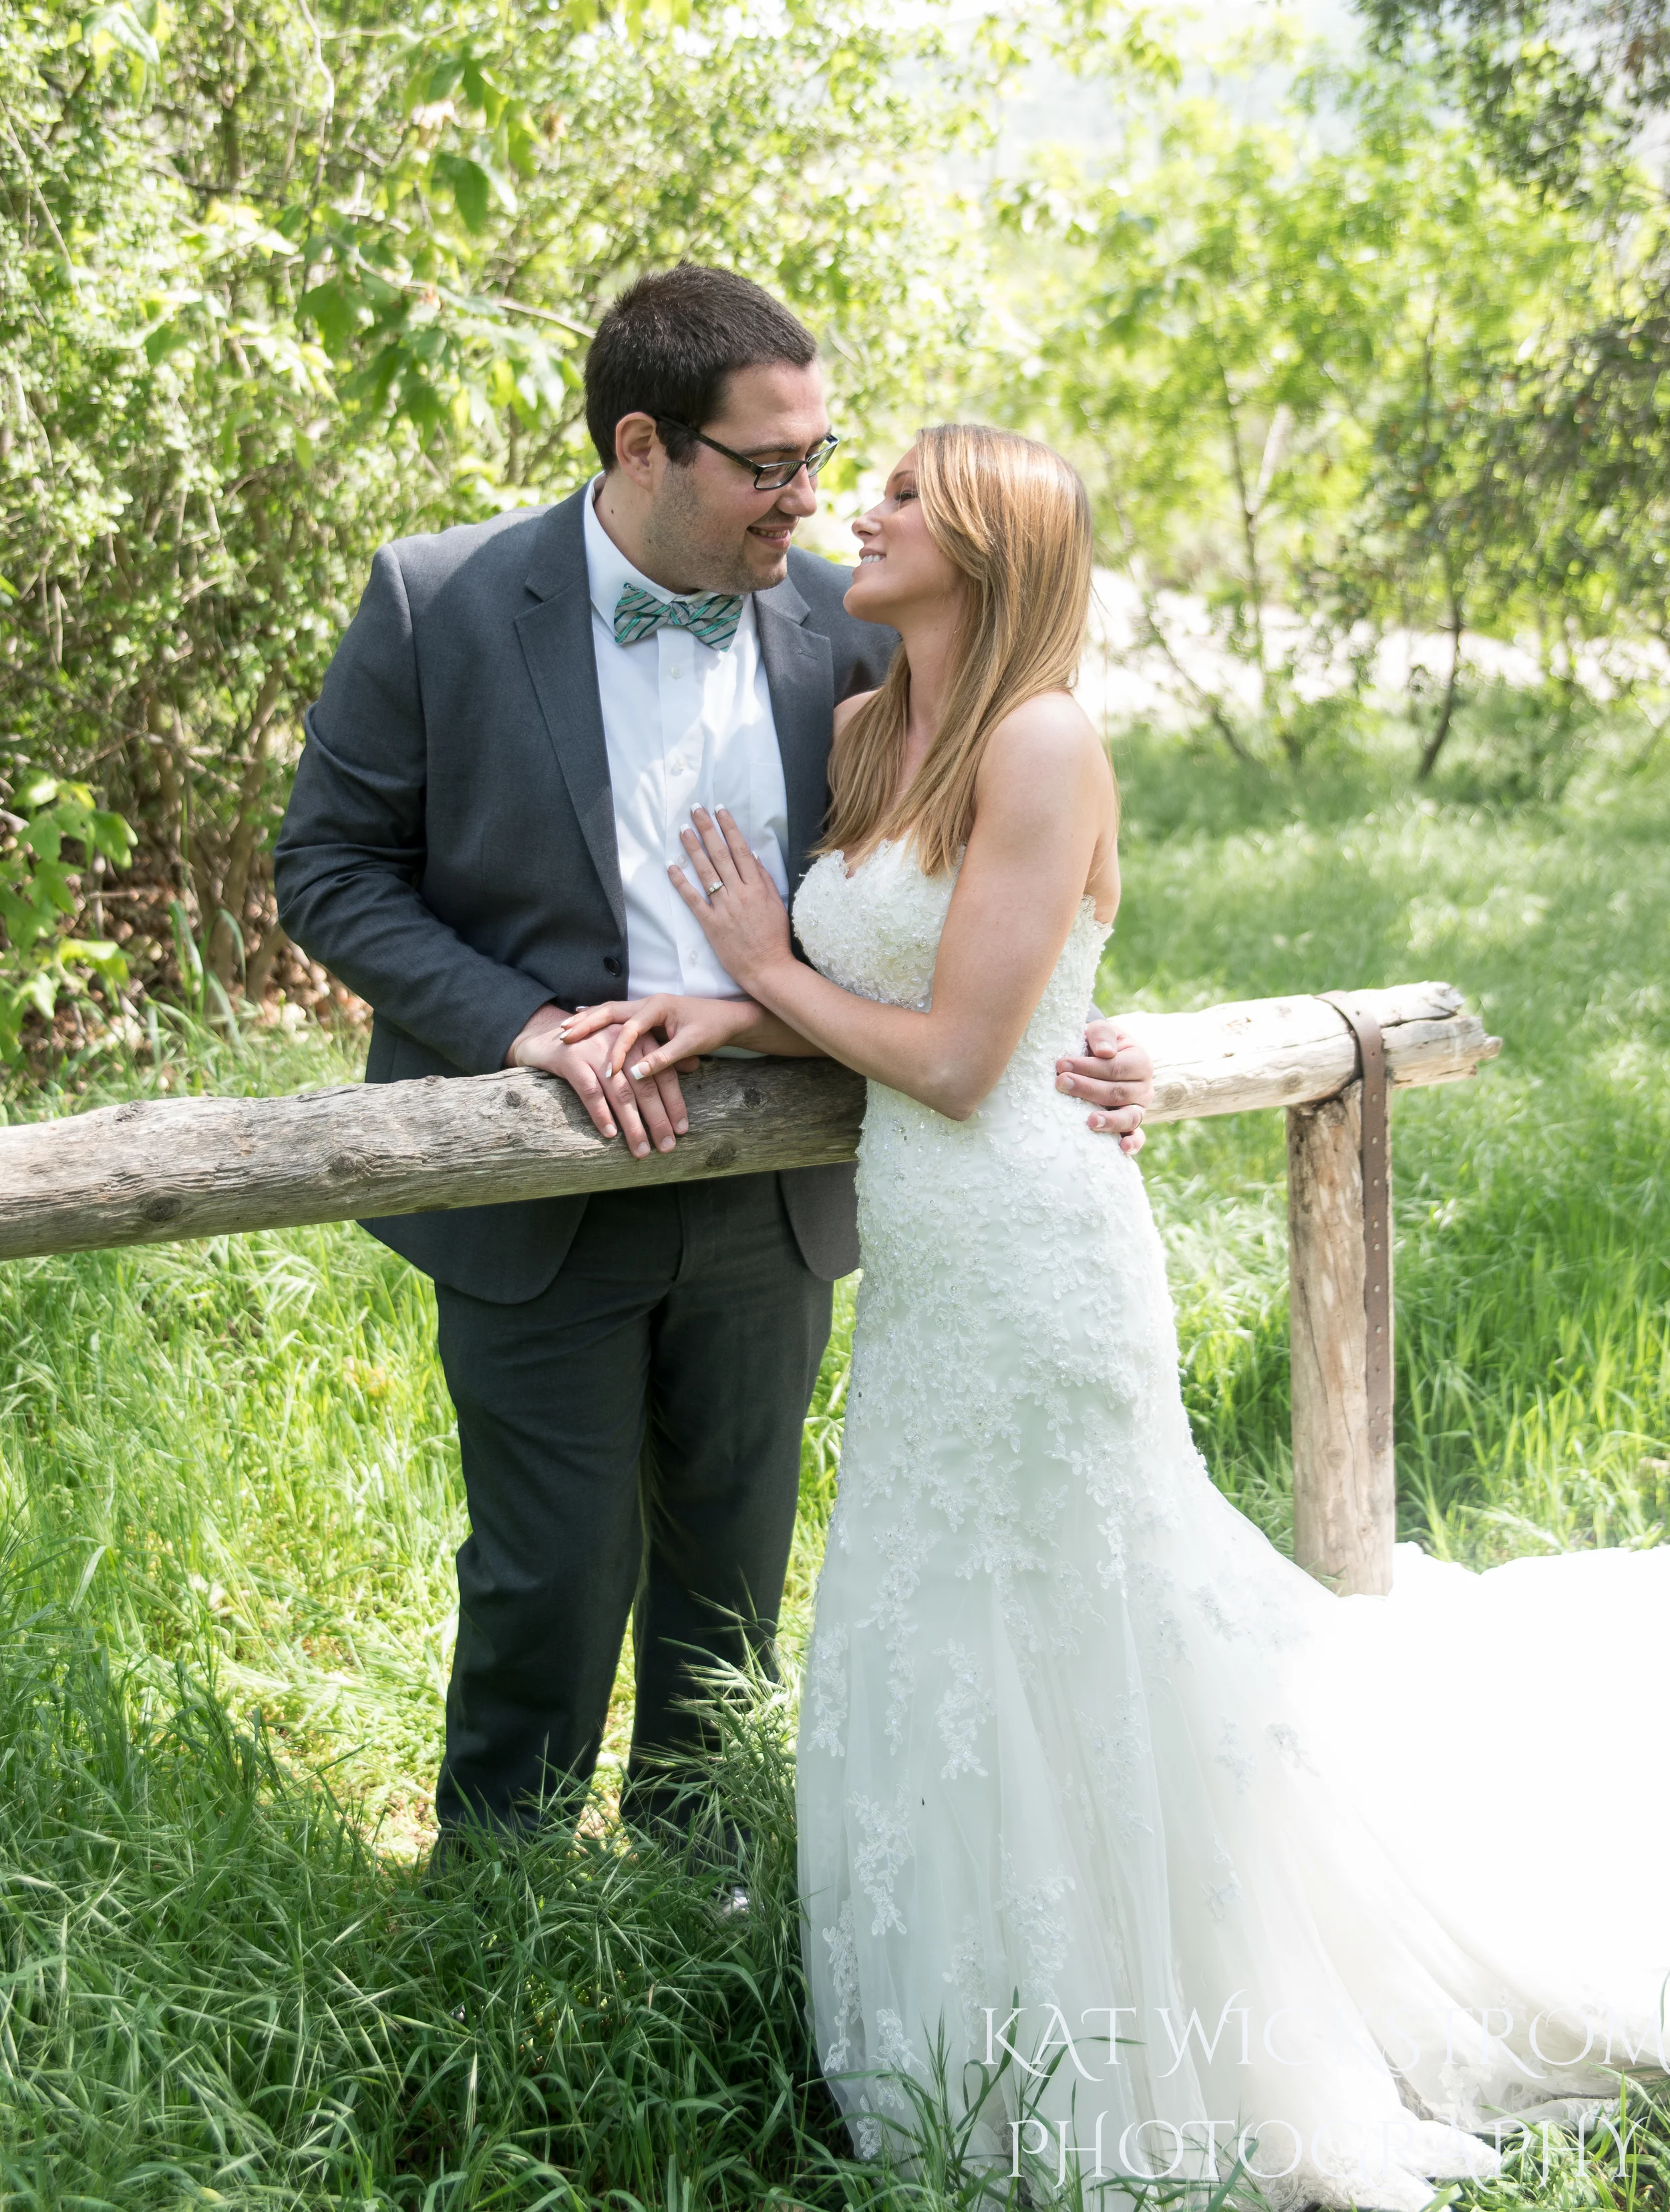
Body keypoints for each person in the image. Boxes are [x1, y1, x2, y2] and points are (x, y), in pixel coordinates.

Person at [563, 422, 1670, 2212]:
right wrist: (732, 1016)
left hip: (1039, 1247)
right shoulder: (866, 732)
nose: (870, 508)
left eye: (908, 494)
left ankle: (1158, 2040)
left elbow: (953, 1055)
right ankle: (968, 2052)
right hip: (924, 1264)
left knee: (1082, 1622)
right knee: (936, 1627)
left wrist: (761, 966)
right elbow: (881, 987)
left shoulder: (1043, 740)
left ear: (987, 550)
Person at [272, 271, 1154, 1849]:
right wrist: (519, 1028)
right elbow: (330, 871)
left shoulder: (849, 624)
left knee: (733, 1588)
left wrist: (1090, 1039)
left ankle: (707, 1894)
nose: (807, 500)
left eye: (823, 457)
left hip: (787, 1185)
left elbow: (974, 874)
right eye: (769, 466)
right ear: (641, 446)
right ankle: (500, 1921)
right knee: (545, 1579)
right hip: (542, 1182)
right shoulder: (438, 600)